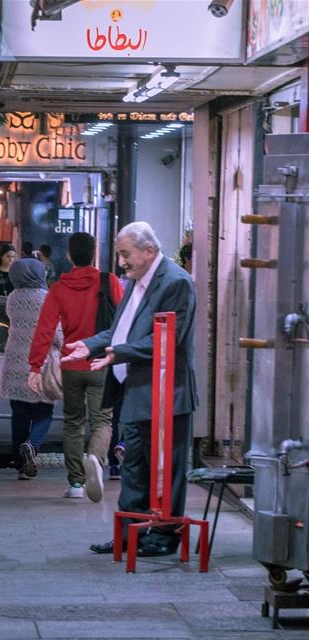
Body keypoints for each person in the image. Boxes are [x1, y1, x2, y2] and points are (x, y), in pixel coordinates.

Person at [62, 221, 197, 557]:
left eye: (125, 254)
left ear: (148, 250)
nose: (121, 262)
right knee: (134, 465)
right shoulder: (135, 281)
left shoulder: (175, 282)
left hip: (166, 393)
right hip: (136, 389)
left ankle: (164, 537)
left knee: (166, 468)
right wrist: (91, 345)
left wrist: (117, 354)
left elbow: (167, 337)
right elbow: (119, 331)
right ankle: (128, 534)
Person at [28, 232, 123, 502]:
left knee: (73, 423)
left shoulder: (59, 287)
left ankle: (76, 484)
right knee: (103, 421)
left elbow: (44, 329)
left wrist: (35, 367)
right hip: (101, 363)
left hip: (71, 364)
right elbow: (127, 318)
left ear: (69, 255)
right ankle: (95, 457)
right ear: (94, 253)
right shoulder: (110, 281)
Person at [0, 259, 59, 480]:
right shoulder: (47, 299)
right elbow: (56, 333)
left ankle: (20, 465)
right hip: (39, 364)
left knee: (19, 415)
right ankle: (32, 445)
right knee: (44, 411)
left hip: (14, 363)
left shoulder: (13, 298)